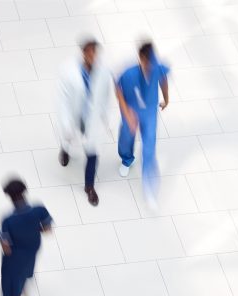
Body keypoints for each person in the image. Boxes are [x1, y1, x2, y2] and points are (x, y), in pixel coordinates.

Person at [56, 39, 111, 207]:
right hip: (74, 115)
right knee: (69, 137)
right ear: (83, 53)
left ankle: (89, 187)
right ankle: (65, 150)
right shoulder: (68, 71)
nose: (92, 56)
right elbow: (62, 100)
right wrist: (65, 123)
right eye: (89, 52)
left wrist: (106, 118)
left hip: (91, 118)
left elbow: (106, 97)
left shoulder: (103, 73)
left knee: (92, 152)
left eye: (95, 53)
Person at [116, 42, 170, 207]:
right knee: (126, 138)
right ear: (141, 58)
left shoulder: (157, 68)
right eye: (147, 62)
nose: (149, 66)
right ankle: (127, 159)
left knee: (149, 148)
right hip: (131, 112)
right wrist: (127, 114)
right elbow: (118, 92)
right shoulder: (129, 74)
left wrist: (166, 99)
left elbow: (163, 80)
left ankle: (149, 190)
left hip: (149, 114)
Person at [0, 179, 52, 296]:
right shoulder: (39, 209)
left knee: (13, 288)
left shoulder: (8, 220)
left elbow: (6, 248)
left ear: (8, 196)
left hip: (15, 258)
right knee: (27, 272)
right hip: (33, 250)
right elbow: (48, 229)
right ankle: (26, 284)